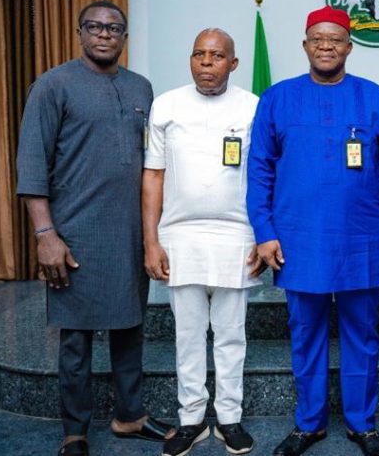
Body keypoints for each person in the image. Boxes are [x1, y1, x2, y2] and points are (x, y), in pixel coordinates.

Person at [16, 0, 174, 456]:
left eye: (114, 28)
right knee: (75, 337)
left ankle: (130, 415)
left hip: (129, 233)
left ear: (125, 37)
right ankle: (75, 431)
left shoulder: (141, 87)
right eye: (95, 27)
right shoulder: (52, 85)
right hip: (74, 233)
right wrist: (46, 235)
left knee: (130, 326)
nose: (105, 34)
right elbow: (32, 163)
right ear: (80, 32)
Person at [246, 6, 379, 456]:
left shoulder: (377, 98)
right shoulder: (277, 99)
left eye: (335, 40)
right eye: (317, 39)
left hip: (362, 237)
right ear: (305, 45)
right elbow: (259, 169)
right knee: (305, 333)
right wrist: (264, 231)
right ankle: (308, 423)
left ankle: (361, 424)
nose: (326, 47)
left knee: (362, 334)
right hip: (299, 239)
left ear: (349, 46)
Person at [141, 28, 260, 456]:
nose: (206, 63)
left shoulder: (253, 107)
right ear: (190, 60)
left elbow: (266, 175)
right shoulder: (166, 105)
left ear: (233, 63)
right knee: (188, 336)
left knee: (231, 335)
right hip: (180, 237)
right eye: (199, 54)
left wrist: (263, 236)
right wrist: (151, 241)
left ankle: (229, 419)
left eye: (216, 55)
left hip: (237, 236)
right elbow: (153, 175)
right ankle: (191, 419)